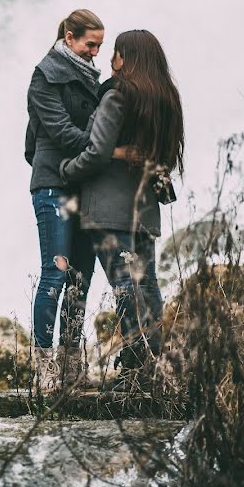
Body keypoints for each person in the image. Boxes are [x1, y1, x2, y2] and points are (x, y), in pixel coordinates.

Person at [59, 29, 184, 391]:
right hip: (143, 207)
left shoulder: (117, 95)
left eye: (115, 53)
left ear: (126, 58)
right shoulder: (164, 99)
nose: (111, 60)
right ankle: (154, 365)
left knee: (124, 286)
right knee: (147, 284)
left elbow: (97, 151)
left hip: (110, 207)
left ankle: (134, 368)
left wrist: (66, 170)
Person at [24, 9, 106, 390]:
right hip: (54, 187)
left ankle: (72, 366)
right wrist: (108, 151)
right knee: (55, 275)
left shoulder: (91, 78)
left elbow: (33, 143)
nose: (95, 53)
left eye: (100, 46)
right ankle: (44, 369)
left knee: (80, 277)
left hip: (83, 186)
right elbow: (60, 134)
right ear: (70, 38)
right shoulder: (45, 75)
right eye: (91, 44)